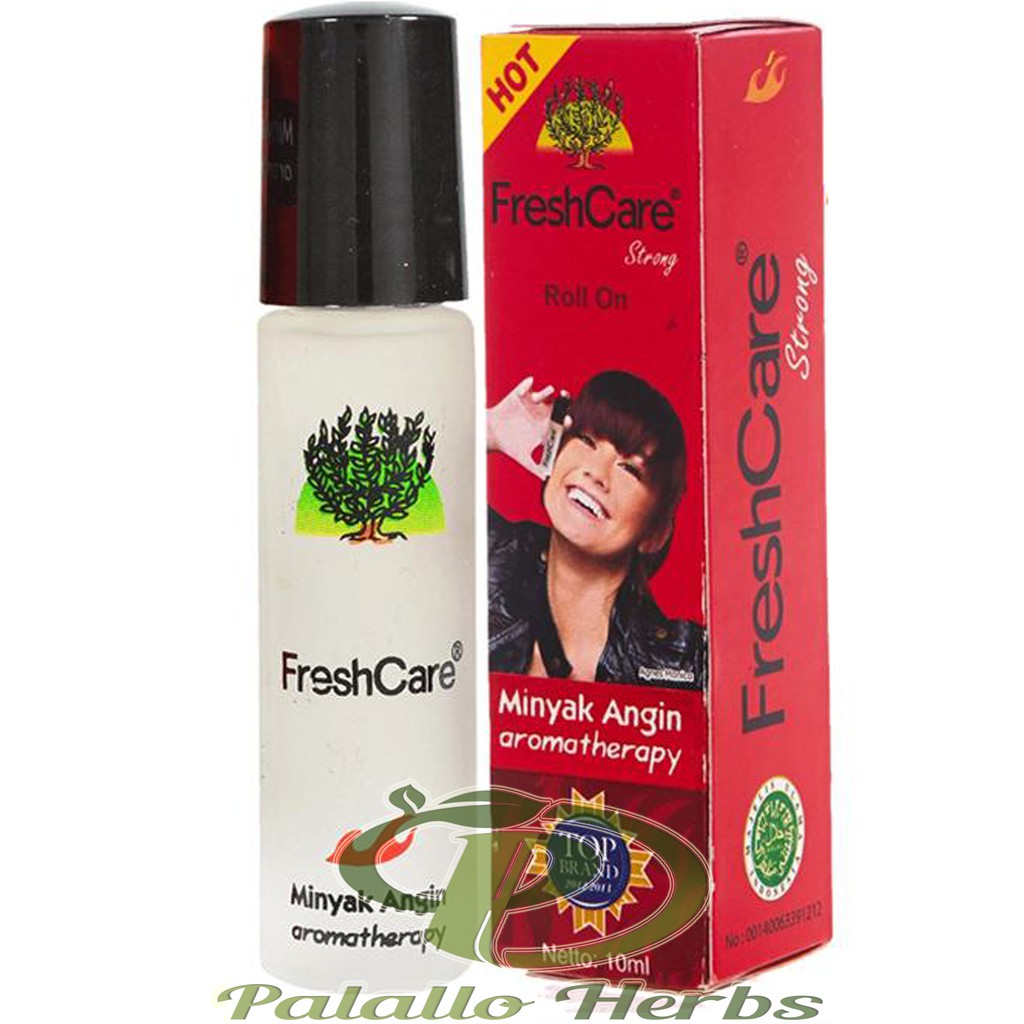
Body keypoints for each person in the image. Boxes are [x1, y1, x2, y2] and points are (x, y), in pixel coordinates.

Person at [487, 370, 705, 688]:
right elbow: (405, 505)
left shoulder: (688, 664)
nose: (596, 473)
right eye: (587, 440)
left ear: (655, 533)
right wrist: (489, 431)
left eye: (629, 469)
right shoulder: (486, 557)